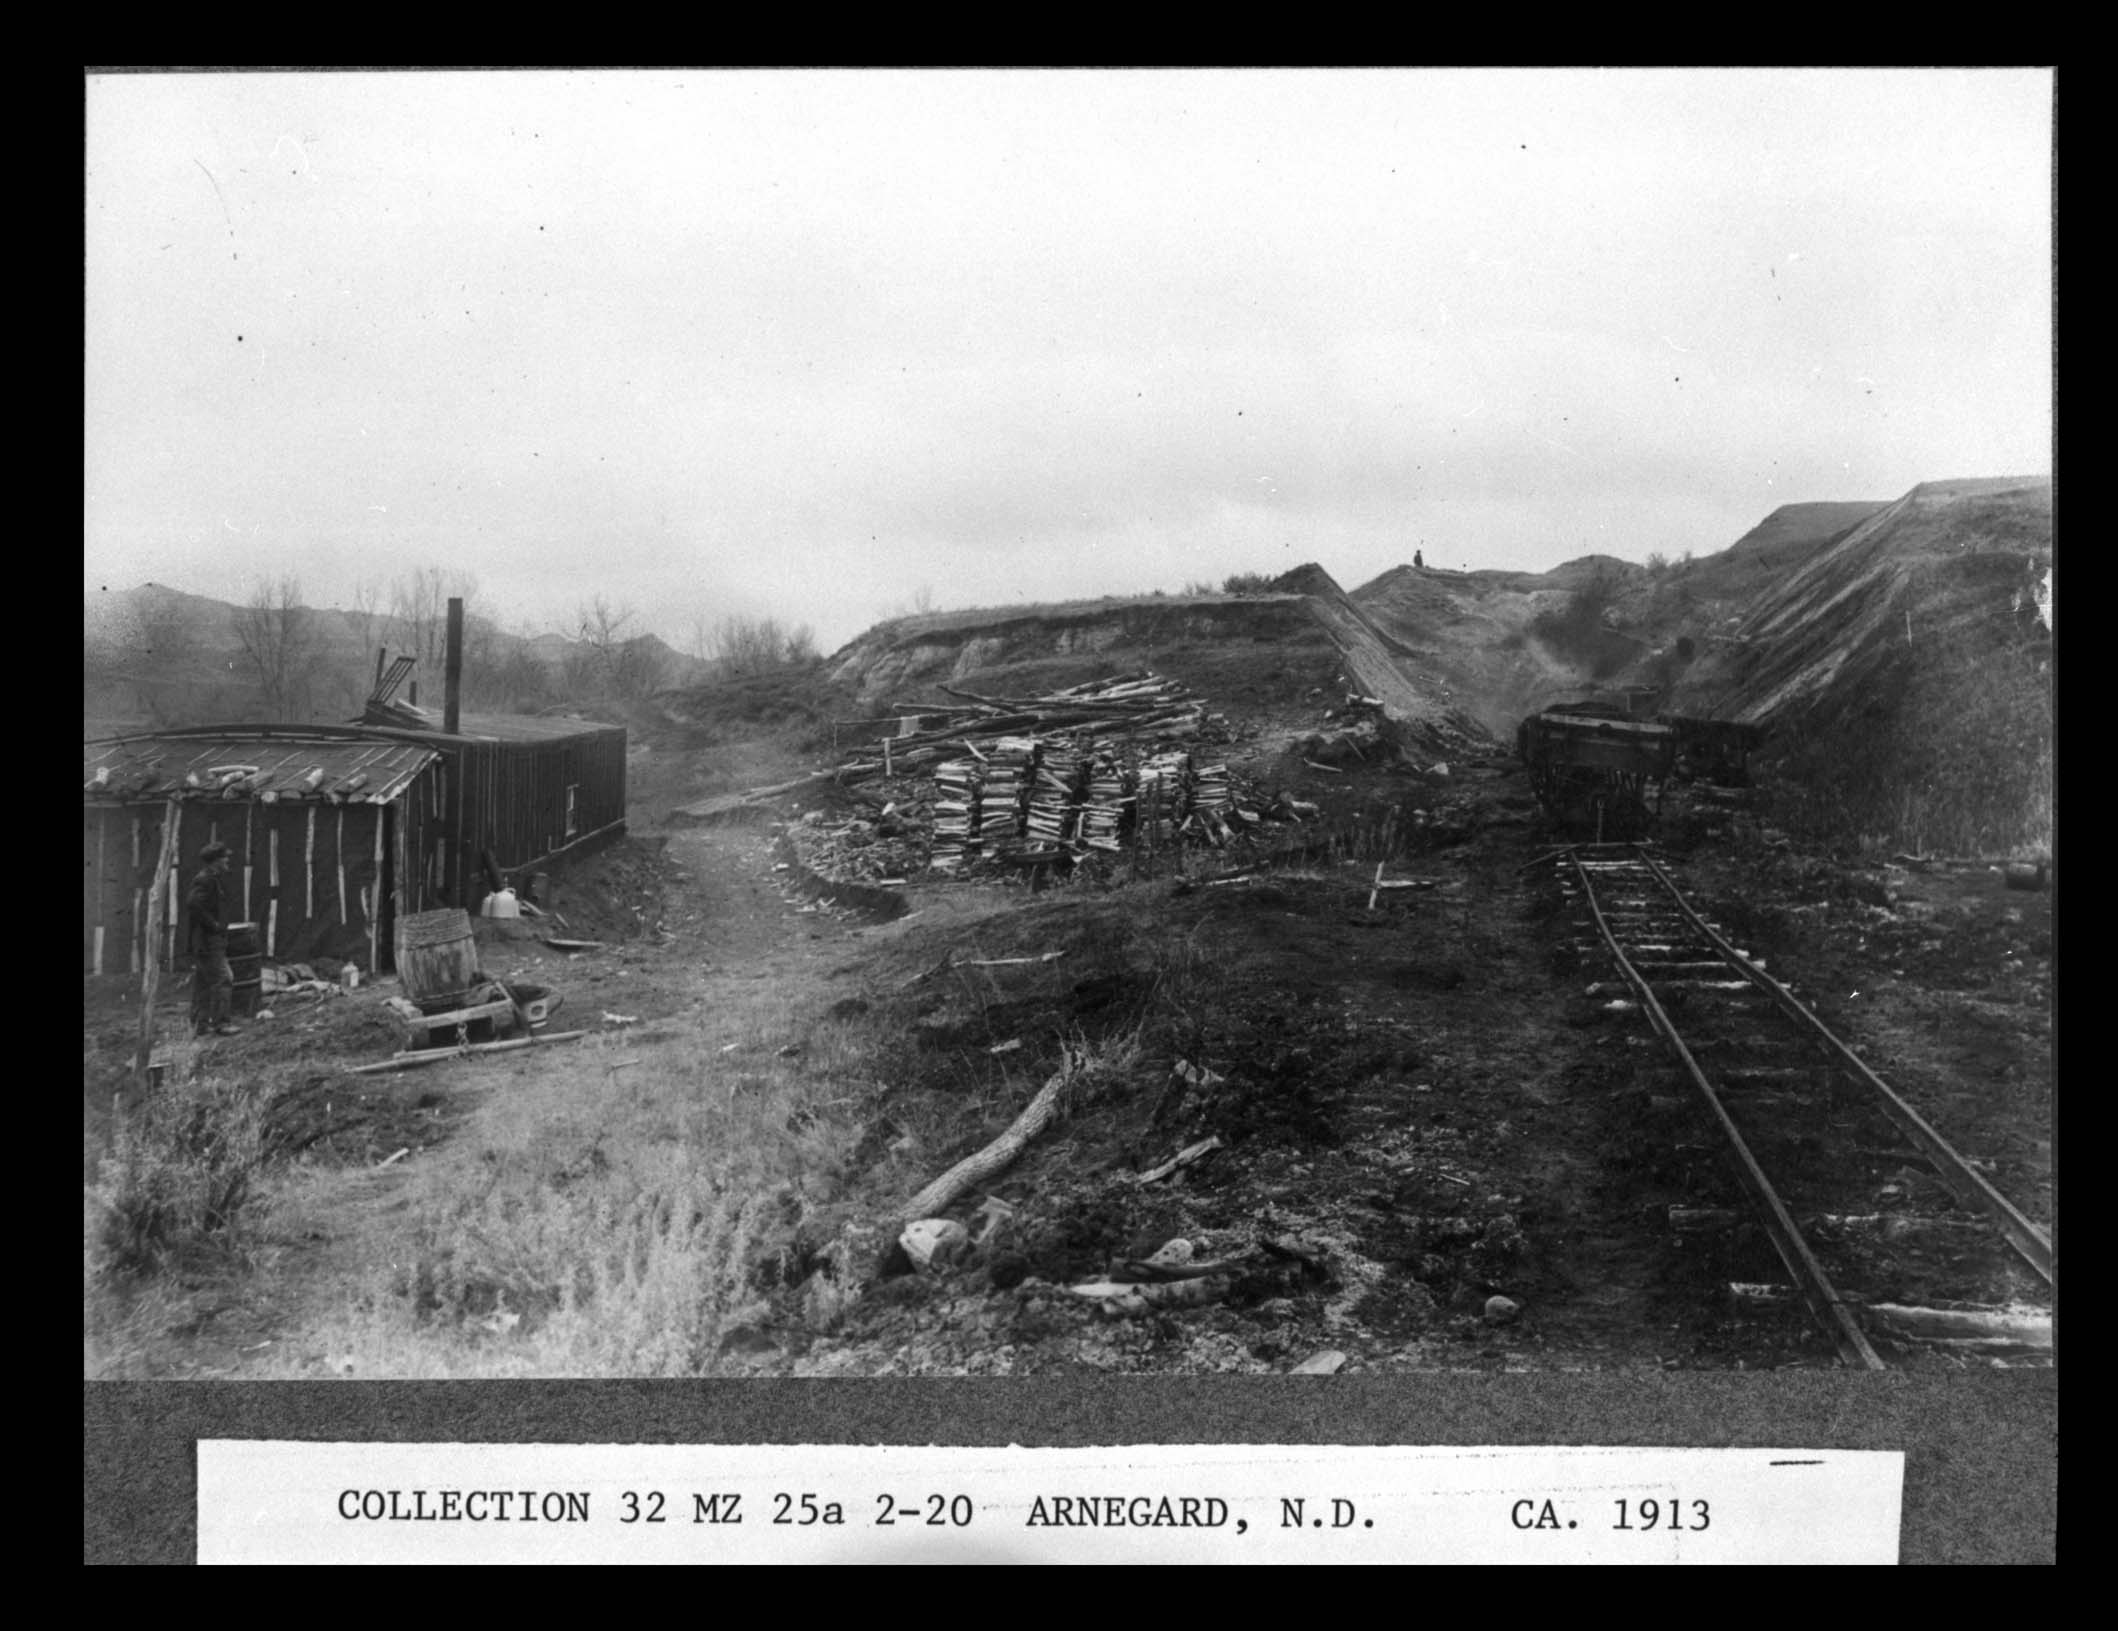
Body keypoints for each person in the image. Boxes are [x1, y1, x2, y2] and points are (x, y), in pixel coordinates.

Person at [186, 841, 240, 1037]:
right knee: (224, 979)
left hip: (207, 939)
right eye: (224, 857)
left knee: (203, 981)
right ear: (215, 861)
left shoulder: (213, 878)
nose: (227, 860)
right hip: (208, 939)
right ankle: (222, 1023)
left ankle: (198, 1024)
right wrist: (214, 925)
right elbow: (193, 904)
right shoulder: (205, 879)